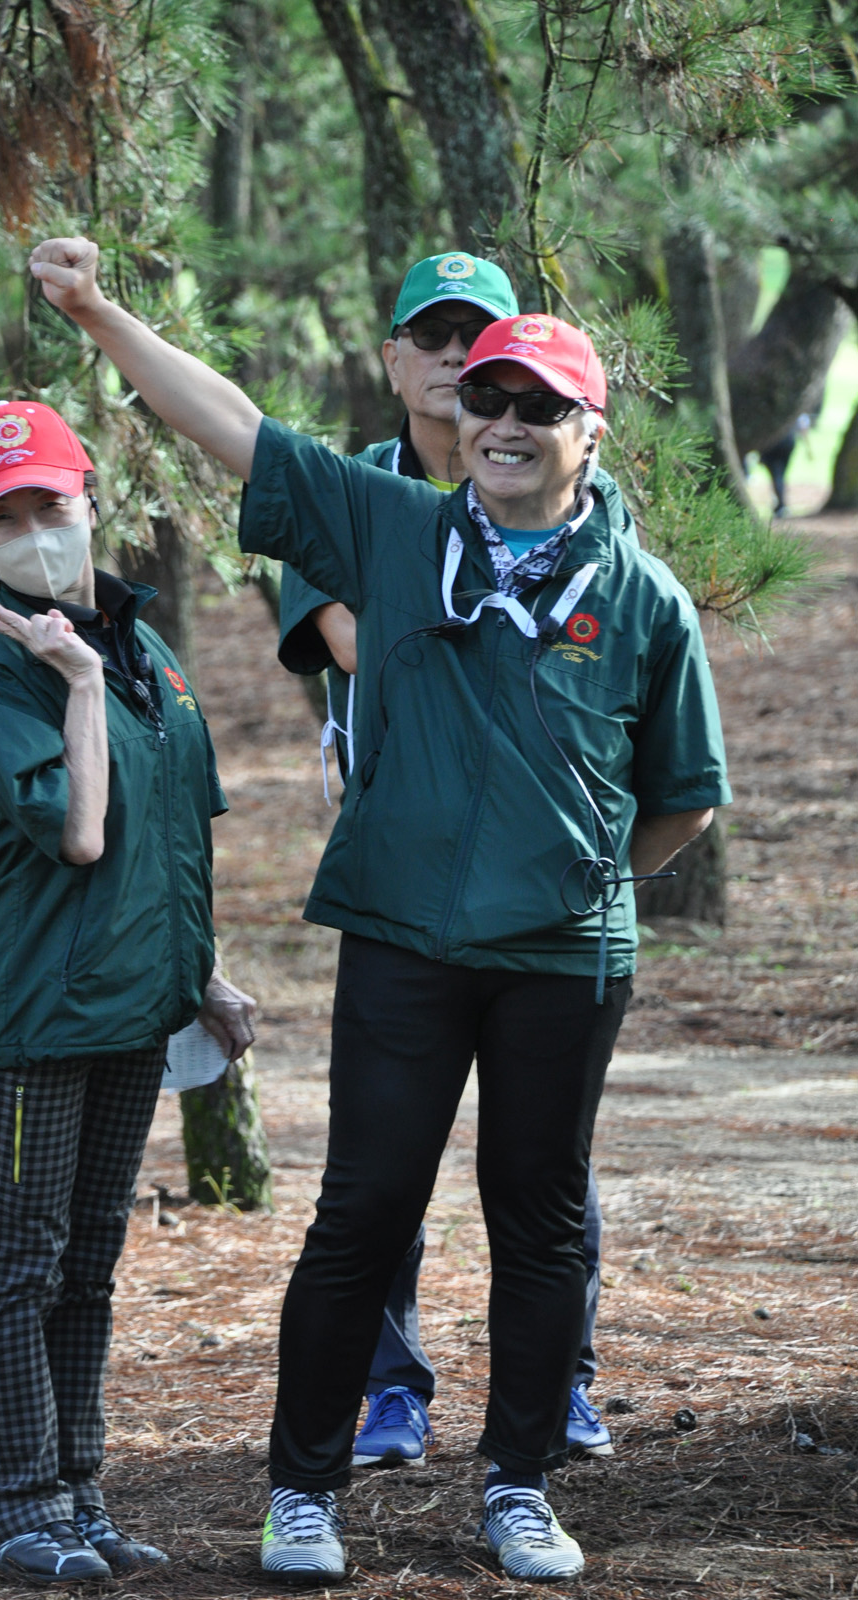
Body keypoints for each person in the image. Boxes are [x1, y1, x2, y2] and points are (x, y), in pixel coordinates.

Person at [27, 236, 732, 1584]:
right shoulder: (395, 528)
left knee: (539, 1219)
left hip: (562, 957)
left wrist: (582, 872)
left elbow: (681, 798)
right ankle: (302, 1493)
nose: (503, 422)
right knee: (361, 1210)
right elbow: (237, 427)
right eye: (487, 398)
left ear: (589, 430)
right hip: (404, 938)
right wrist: (100, 311)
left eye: (538, 405)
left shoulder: (643, 599)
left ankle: (517, 1487)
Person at [279, 251, 614, 1470]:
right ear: (394, 359)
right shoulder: (356, 499)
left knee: (545, 1164)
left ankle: (559, 1381)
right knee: (381, 1170)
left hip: (538, 891)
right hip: (407, 870)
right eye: (434, 340)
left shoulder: (581, 512)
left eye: (482, 341)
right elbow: (366, 646)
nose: (460, 364)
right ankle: (387, 1386)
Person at [0, 399, 256, 1586]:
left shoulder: (143, 648)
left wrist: (201, 974)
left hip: (131, 1005)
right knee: (23, 1261)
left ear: (89, 501)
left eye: (50, 505)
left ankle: (79, 1491)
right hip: (33, 1017)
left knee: (89, 1264)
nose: (34, 532)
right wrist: (73, 682)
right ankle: (19, 1505)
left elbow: (171, 835)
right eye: (3, 517)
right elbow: (80, 835)